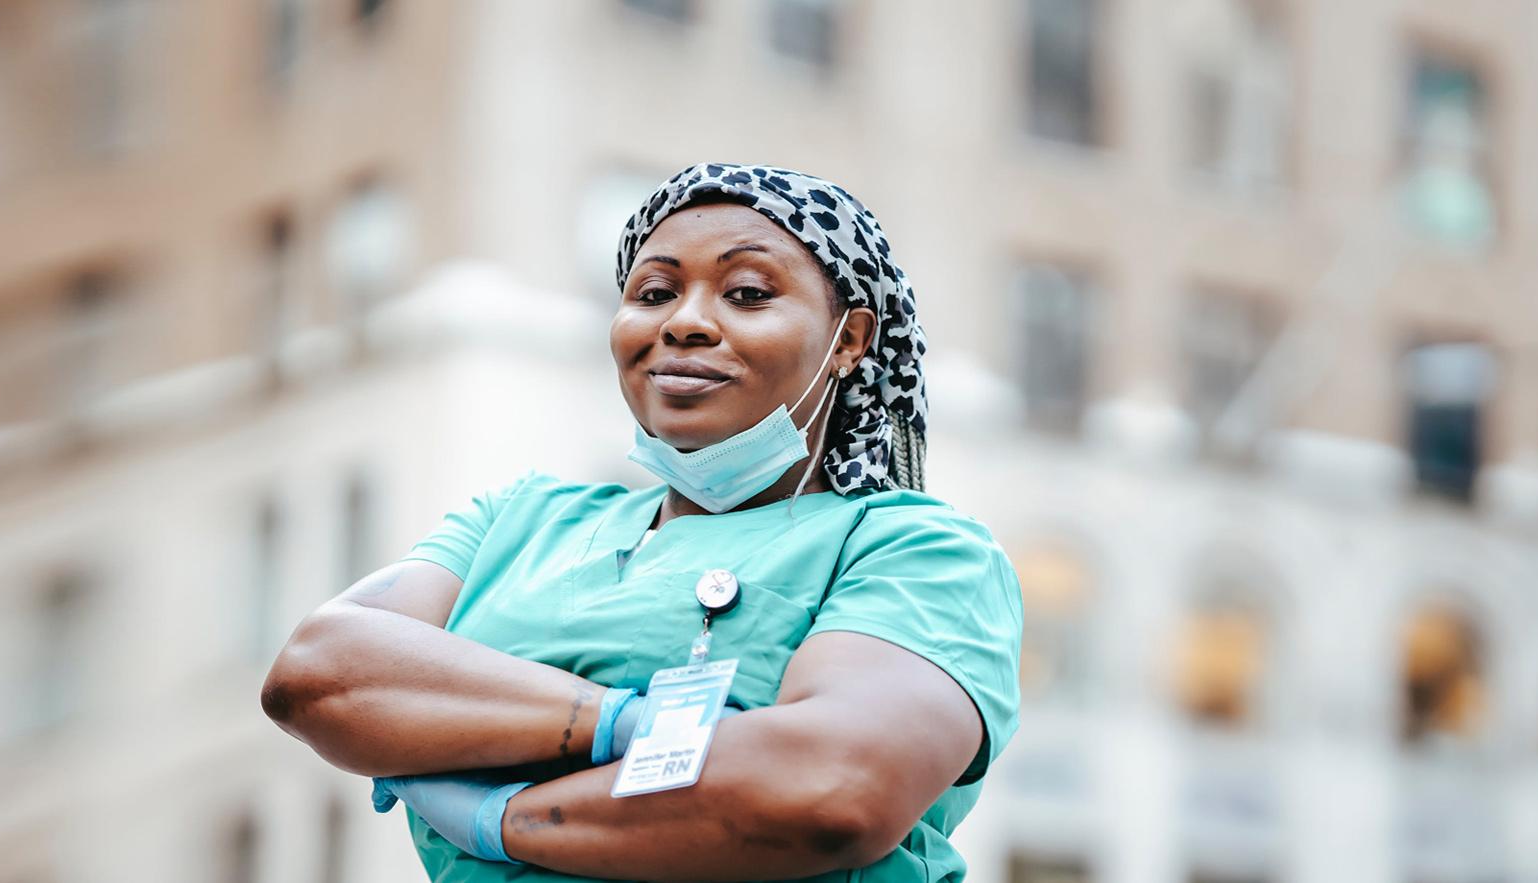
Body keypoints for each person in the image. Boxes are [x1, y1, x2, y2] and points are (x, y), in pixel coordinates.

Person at [261, 163, 1023, 882]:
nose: (686, 322)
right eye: (654, 293)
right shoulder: (519, 520)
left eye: (749, 293)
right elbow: (317, 672)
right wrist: (635, 725)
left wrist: (497, 815)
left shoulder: (915, 549)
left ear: (848, 341)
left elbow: (831, 786)